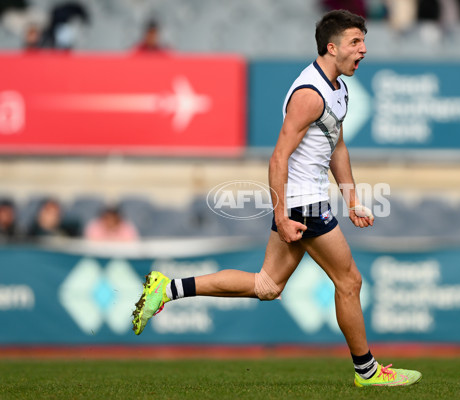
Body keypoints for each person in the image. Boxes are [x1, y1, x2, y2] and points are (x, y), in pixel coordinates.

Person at [132, 9, 422, 388]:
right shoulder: (309, 93)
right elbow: (278, 157)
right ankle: (367, 372)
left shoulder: (339, 89)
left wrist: (351, 200)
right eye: (356, 42)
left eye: (363, 41)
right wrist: (282, 215)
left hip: (308, 200)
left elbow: (337, 146)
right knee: (349, 281)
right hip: (304, 203)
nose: (364, 49)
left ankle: (165, 289)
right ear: (331, 48)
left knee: (266, 285)